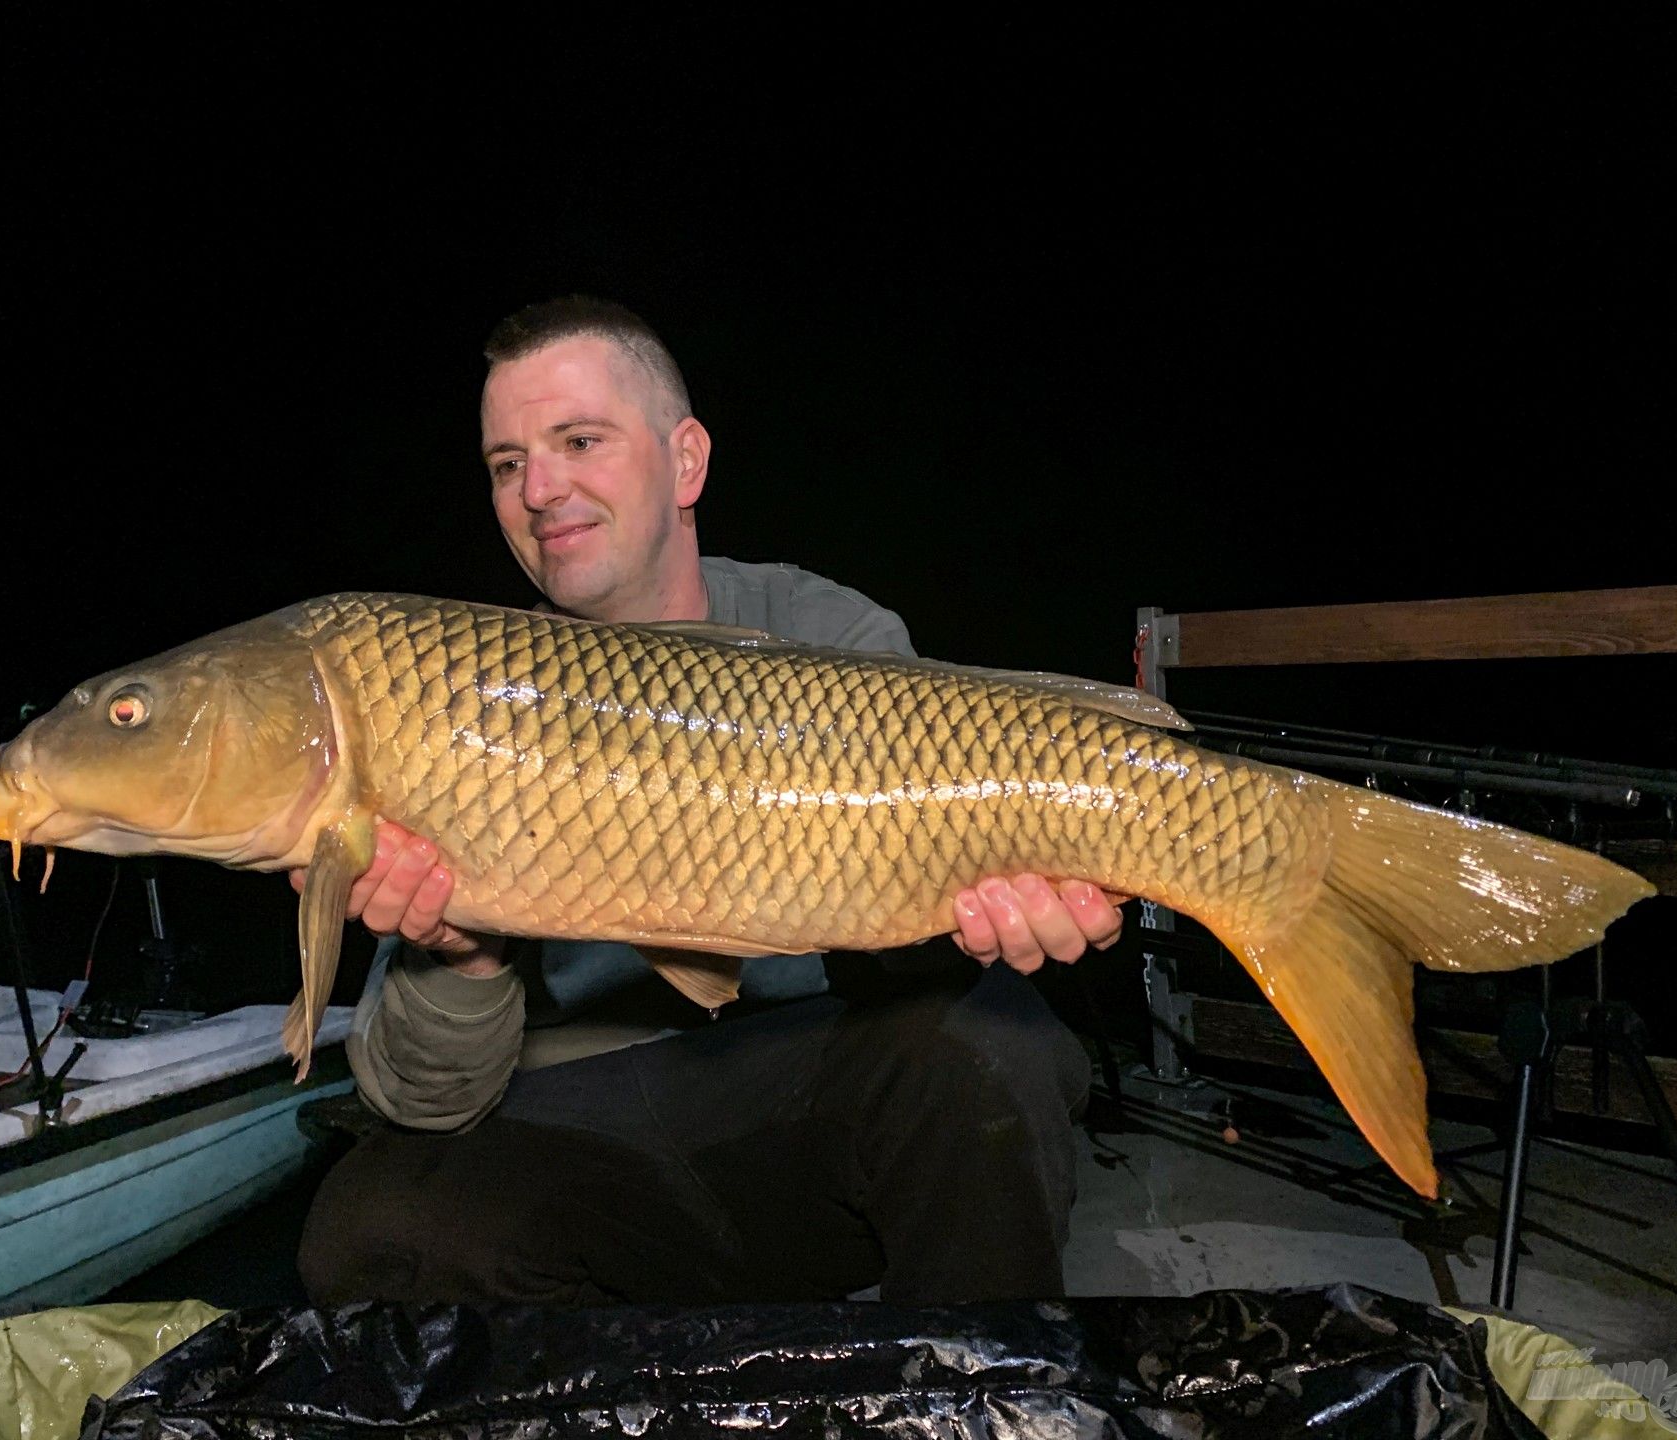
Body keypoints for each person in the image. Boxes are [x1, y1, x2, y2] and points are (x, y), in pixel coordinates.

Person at [296, 296, 1127, 1305]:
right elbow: (423, 1100)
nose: (539, 489)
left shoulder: (828, 633)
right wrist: (463, 955)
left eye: (578, 441)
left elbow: (923, 952)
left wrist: (981, 921)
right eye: (506, 463)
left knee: (996, 1045)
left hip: (804, 1119)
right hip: (579, 1137)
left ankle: (969, 1390)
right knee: (367, 1234)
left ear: (686, 461)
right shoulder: (447, 693)